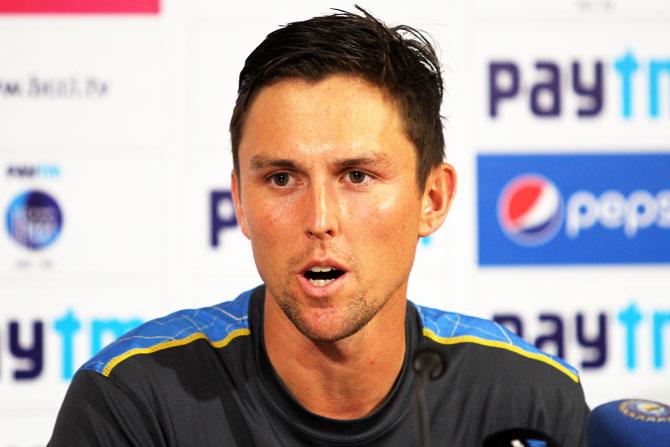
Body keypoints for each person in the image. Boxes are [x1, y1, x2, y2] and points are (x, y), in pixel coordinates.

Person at [49, 8, 589, 446]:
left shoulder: (530, 402)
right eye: (282, 178)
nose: (320, 220)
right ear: (239, 200)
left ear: (433, 197)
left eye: (357, 175)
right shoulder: (133, 403)